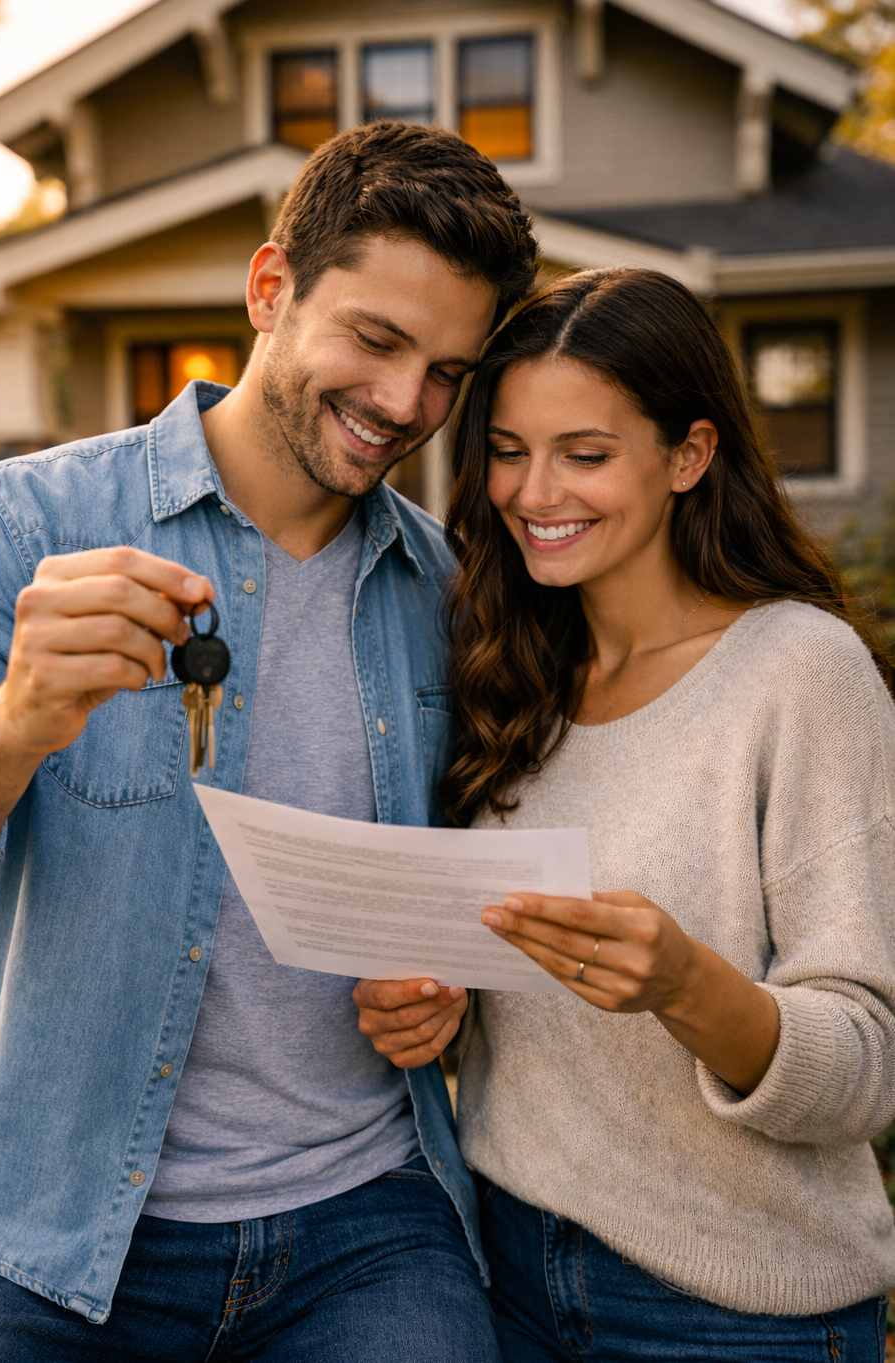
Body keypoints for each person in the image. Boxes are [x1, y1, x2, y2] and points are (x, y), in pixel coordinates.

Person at [0, 121, 537, 1362]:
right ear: (269, 287)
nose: (405, 405)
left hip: (365, 1224)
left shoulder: (448, 593)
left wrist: (447, 990)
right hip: (48, 1220)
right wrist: (12, 722)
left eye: (446, 373)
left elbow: (465, 898)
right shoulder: (19, 522)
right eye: (377, 340)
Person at [354, 268, 895, 1362]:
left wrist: (685, 987)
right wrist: (437, 1003)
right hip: (502, 1269)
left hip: (734, 1312)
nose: (532, 492)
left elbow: (866, 1070)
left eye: (584, 454)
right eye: (506, 449)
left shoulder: (797, 673)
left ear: (687, 456)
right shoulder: (508, 667)